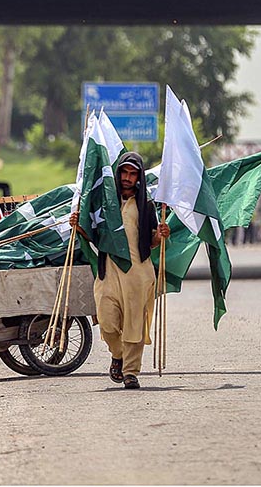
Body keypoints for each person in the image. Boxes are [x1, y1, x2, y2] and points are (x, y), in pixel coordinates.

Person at [70, 151, 170, 390]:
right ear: (117, 174)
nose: (127, 177)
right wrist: (78, 224)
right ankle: (118, 354)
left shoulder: (146, 205)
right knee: (107, 322)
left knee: (135, 324)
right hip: (109, 271)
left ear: (138, 177)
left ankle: (131, 373)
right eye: (124, 172)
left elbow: (152, 240)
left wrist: (160, 234)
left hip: (139, 273)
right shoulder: (105, 202)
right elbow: (92, 231)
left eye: (132, 174)